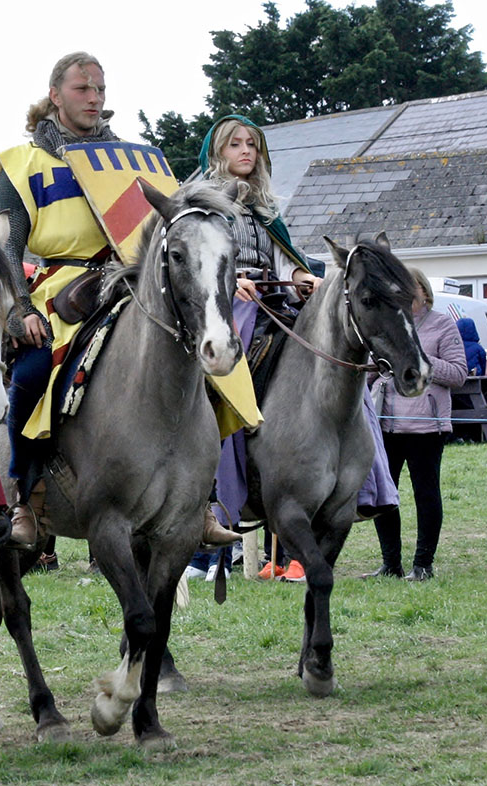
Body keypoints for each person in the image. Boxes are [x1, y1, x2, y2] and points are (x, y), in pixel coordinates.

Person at [0, 52, 237, 558]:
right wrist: (20, 307)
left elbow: (174, 228)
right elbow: (4, 248)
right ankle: (27, 497)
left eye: (100, 89)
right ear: (55, 95)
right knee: (33, 374)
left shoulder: (131, 161)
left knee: (212, 371)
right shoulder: (23, 164)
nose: (95, 98)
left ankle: (201, 499)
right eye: (83, 89)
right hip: (61, 293)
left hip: (135, 282)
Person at [195, 114, 400, 582]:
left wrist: (302, 277)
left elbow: (288, 259)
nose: (245, 152)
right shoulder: (204, 206)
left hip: (275, 300)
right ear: (217, 153)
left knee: (340, 361)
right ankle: (212, 489)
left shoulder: (268, 210)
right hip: (228, 305)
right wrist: (233, 281)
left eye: (252, 144)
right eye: (235, 145)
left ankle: (366, 480)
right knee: (227, 368)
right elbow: (199, 264)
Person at [366, 269, 467, 581]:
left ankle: (423, 565)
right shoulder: (385, 326)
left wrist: (421, 357)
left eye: (410, 289)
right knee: (385, 496)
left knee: (426, 494)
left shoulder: (442, 324)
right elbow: (371, 372)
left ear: (423, 291)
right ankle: (391, 565)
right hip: (387, 425)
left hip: (427, 427)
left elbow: (459, 373)